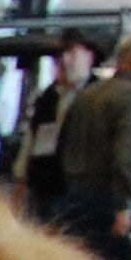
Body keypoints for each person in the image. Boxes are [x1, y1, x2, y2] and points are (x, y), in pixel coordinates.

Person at [59, 32, 131, 260]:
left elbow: (62, 145)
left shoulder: (88, 94)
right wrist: (123, 205)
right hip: (109, 200)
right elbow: (128, 156)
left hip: (72, 198)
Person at [19, 33, 95, 227]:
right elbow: (33, 138)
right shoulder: (49, 95)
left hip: (79, 188)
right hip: (45, 184)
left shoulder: (97, 94)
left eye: (72, 54)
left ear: (89, 56)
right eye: (61, 55)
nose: (65, 61)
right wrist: (22, 176)